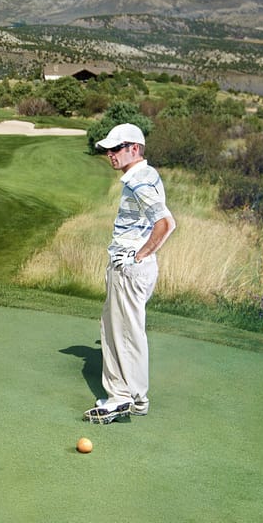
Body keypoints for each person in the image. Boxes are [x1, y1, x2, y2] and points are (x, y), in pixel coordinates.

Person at [83, 123, 175, 425]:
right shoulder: (144, 176)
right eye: (108, 149)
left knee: (121, 333)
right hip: (133, 268)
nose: (110, 154)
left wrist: (140, 254)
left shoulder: (139, 181)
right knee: (124, 330)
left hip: (129, 268)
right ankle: (136, 398)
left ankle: (119, 398)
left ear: (134, 148)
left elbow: (165, 223)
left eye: (116, 148)